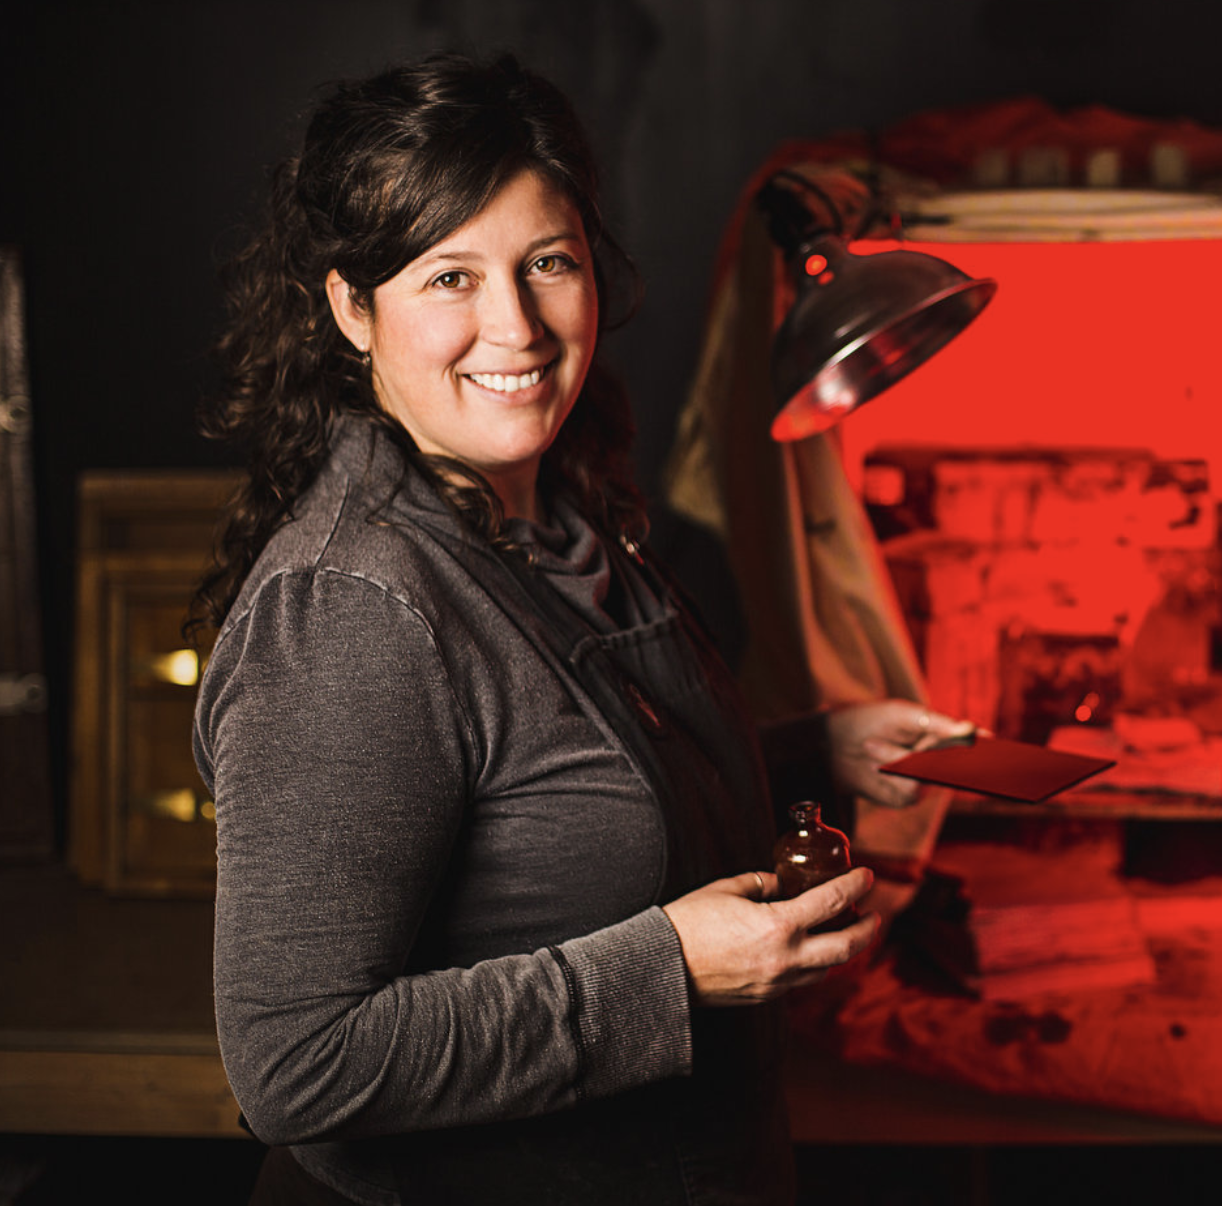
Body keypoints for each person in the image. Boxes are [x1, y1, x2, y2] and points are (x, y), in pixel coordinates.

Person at [190, 51, 969, 1206]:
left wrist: (816, 748)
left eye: (546, 263)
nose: (516, 326)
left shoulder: (558, 507)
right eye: (449, 278)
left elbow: (557, 809)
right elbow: (298, 1063)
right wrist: (671, 973)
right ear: (353, 310)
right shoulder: (355, 610)